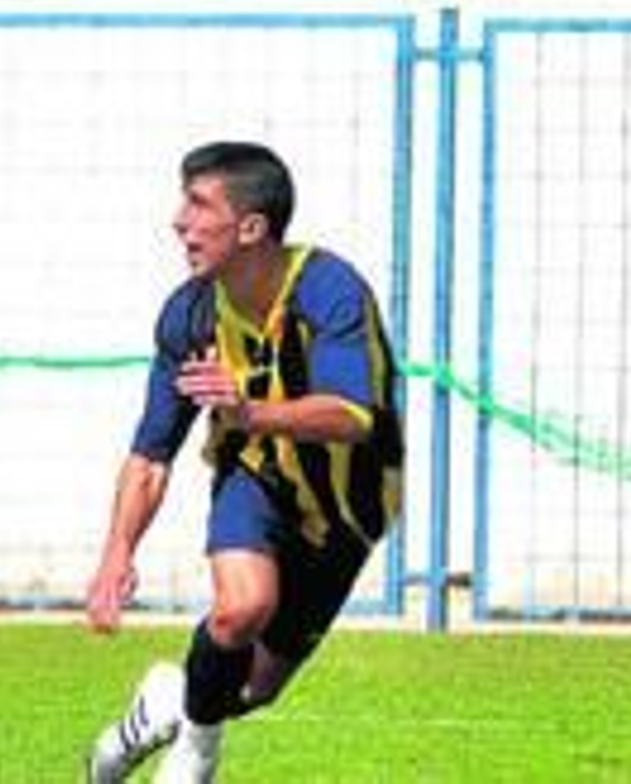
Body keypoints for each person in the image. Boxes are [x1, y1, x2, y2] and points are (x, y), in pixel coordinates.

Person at [84, 141, 403, 783]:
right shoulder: (191, 313)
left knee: (253, 688)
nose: (179, 221)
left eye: (199, 204)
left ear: (252, 227)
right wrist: (117, 553)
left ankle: (162, 704)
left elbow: (354, 415)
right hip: (255, 478)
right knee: (241, 608)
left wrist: (250, 409)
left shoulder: (330, 290)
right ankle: (197, 757)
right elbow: (151, 455)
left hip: (351, 510)